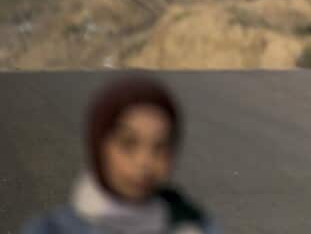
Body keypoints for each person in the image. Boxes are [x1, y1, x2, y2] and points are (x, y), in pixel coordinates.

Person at [22, 75, 219, 234]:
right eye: (128, 144)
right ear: (99, 145)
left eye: (159, 147)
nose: (144, 162)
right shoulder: (51, 230)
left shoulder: (195, 225)